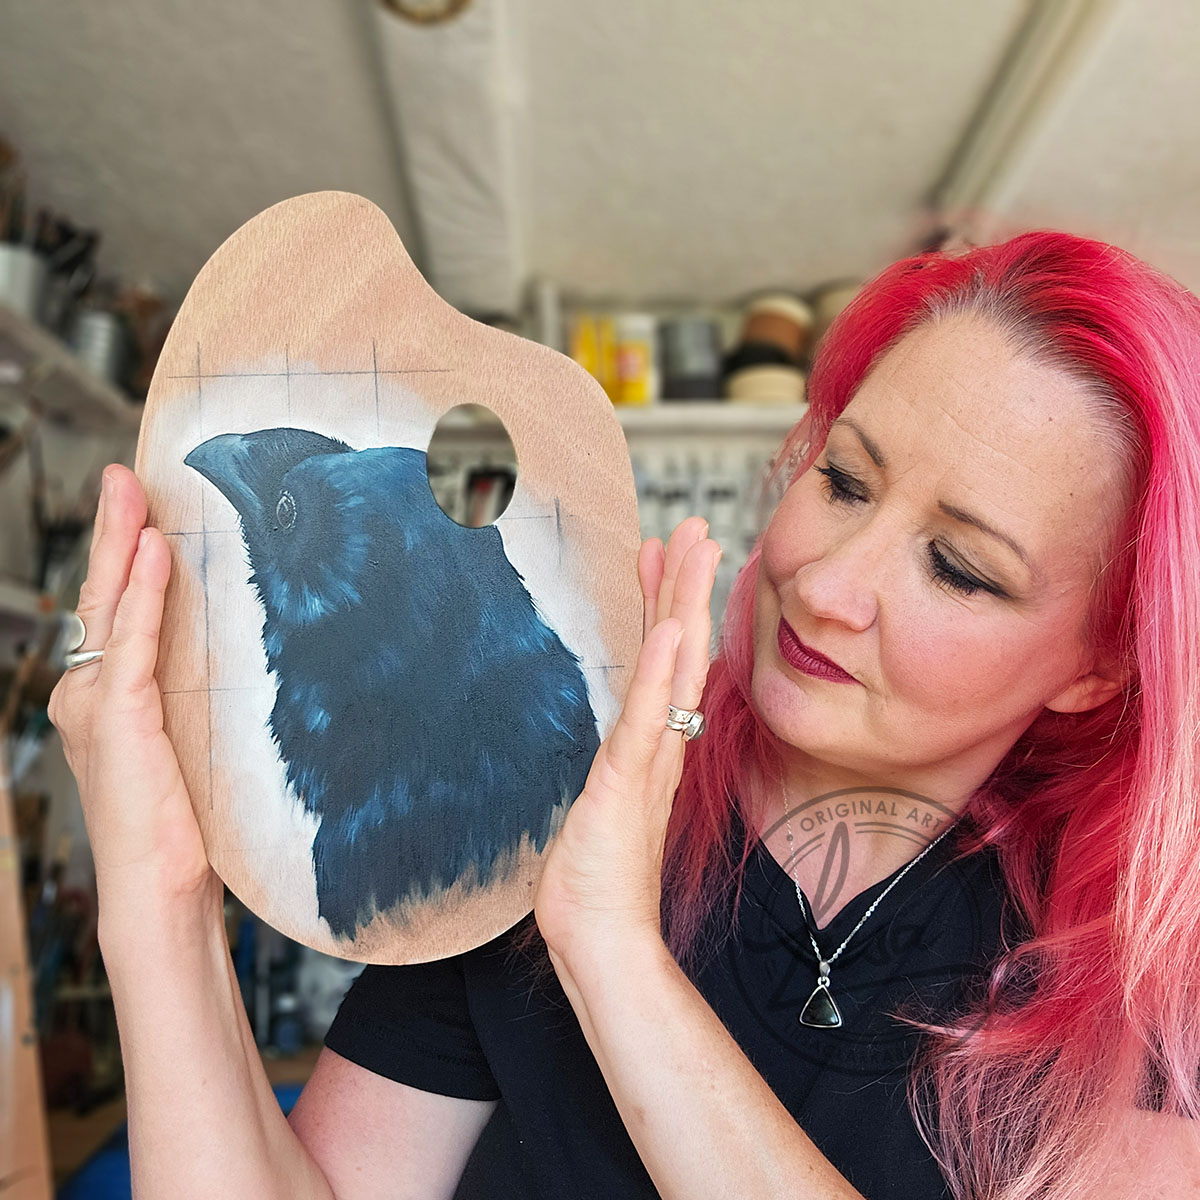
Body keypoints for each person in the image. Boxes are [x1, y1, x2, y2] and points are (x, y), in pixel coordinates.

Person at [49, 230, 1200, 1199]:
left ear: (1098, 665)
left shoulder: (1138, 991)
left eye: (958, 566)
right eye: (843, 480)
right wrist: (160, 905)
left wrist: (609, 950)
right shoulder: (532, 790)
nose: (829, 583)